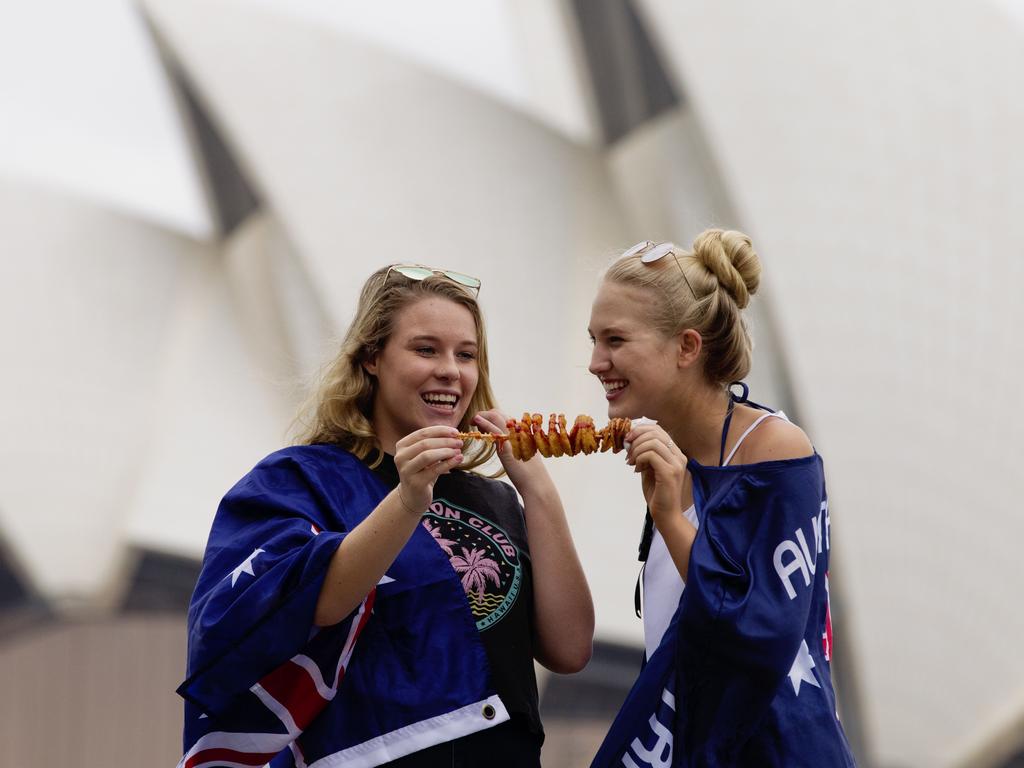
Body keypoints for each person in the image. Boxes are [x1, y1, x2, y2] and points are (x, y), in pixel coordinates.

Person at [176, 264, 594, 768]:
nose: (450, 371)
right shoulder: (303, 478)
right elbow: (317, 604)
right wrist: (407, 499)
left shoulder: (496, 499)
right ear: (371, 358)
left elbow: (569, 651)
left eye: (467, 355)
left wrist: (538, 489)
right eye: (425, 349)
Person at [587, 233, 856, 767]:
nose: (596, 362)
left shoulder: (776, 450)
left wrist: (669, 516)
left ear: (687, 347)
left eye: (615, 340)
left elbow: (755, 630)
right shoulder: (673, 456)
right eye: (593, 340)